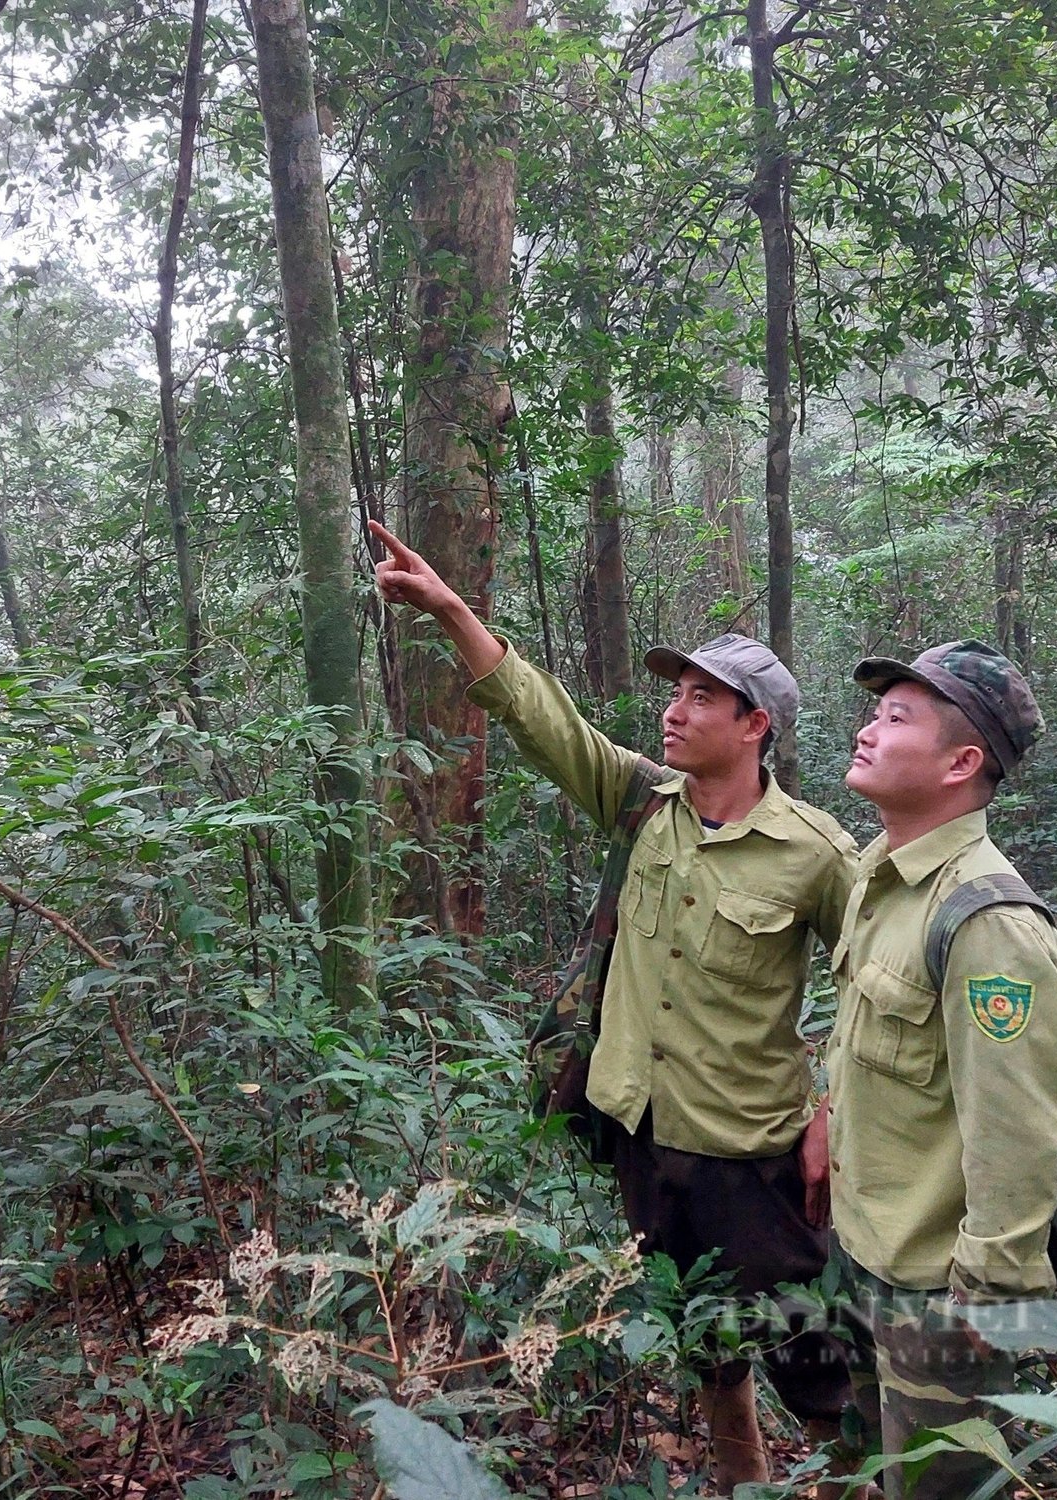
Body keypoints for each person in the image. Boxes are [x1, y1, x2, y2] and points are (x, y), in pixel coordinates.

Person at [370, 519, 856, 1493]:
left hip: (752, 1158)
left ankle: (865, 1476)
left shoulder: (816, 850)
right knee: (702, 1346)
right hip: (643, 1137)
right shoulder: (644, 802)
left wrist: (835, 1108)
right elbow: (537, 716)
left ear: (754, 722)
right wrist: (452, 610)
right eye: (673, 694)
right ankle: (739, 1477)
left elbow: (880, 983)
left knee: (815, 1365)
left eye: (699, 698)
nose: (673, 713)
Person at [811, 640, 1057, 1499]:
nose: (867, 731)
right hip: (862, 1251)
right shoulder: (882, 877)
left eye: (896, 718)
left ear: (962, 762)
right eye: (874, 713)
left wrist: (986, 1305)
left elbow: (1018, 1132)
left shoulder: (988, 919)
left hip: (937, 1297)